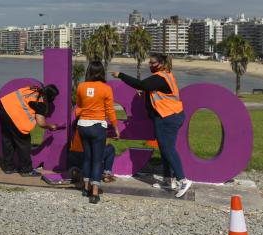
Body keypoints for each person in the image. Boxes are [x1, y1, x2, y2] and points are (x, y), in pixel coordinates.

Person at [110, 53, 192, 198]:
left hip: (168, 117)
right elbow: (152, 91)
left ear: (161, 64)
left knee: (168, 149)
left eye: (153, 63)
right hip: (168, 116)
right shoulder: (166, 76)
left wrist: (121, 75)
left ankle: (183, 180)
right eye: (149, 62)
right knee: (165, 149)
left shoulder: (160, 77)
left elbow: (141, 84)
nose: (150, 65)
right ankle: (168, 180)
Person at [74, 61, 120, 204]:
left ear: (88, 72)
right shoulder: (106, 88)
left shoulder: (81, 87)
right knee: (97, 160)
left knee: (87, 158)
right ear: (101, 72)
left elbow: (78, 108)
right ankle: (94, 193)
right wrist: (116, 126)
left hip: (83, 125)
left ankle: (86, 187)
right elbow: (110, 110)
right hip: (98, 126)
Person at [0, 84, 61, 177]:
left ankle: (8, 168)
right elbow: (41, 122)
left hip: (2, 107)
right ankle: (26, 170)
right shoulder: (40, 101)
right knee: (24, 143)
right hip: (12, 115)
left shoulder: (32, 89)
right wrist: (51, 126)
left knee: (8, 140)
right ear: (51, 97)